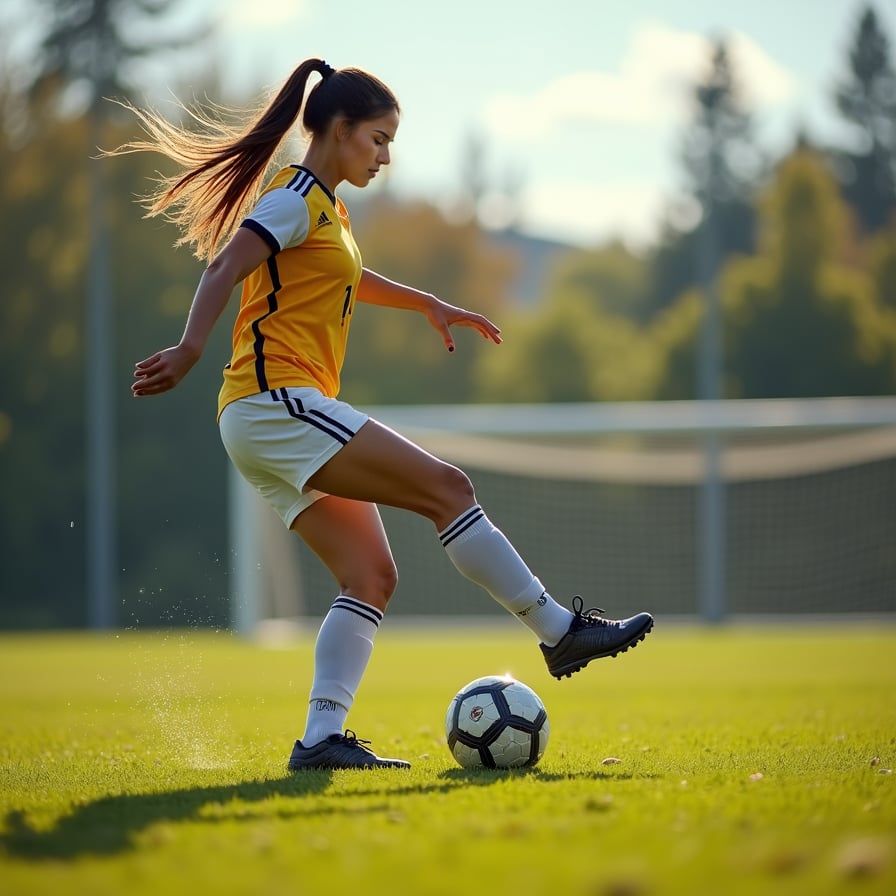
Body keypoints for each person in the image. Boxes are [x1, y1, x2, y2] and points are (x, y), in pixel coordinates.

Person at [119, 58, 654, 770]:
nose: (386, 156)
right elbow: (225, 266)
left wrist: (426, 302)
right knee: (450, 490)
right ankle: (558, 632)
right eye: (378, 138)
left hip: (264, 415)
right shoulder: (297, 196)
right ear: (338, 130)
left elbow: (342, 273)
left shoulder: (322, 208)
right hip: (275, 402)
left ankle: (319, 741)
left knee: (370, 576)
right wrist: (189, 347)